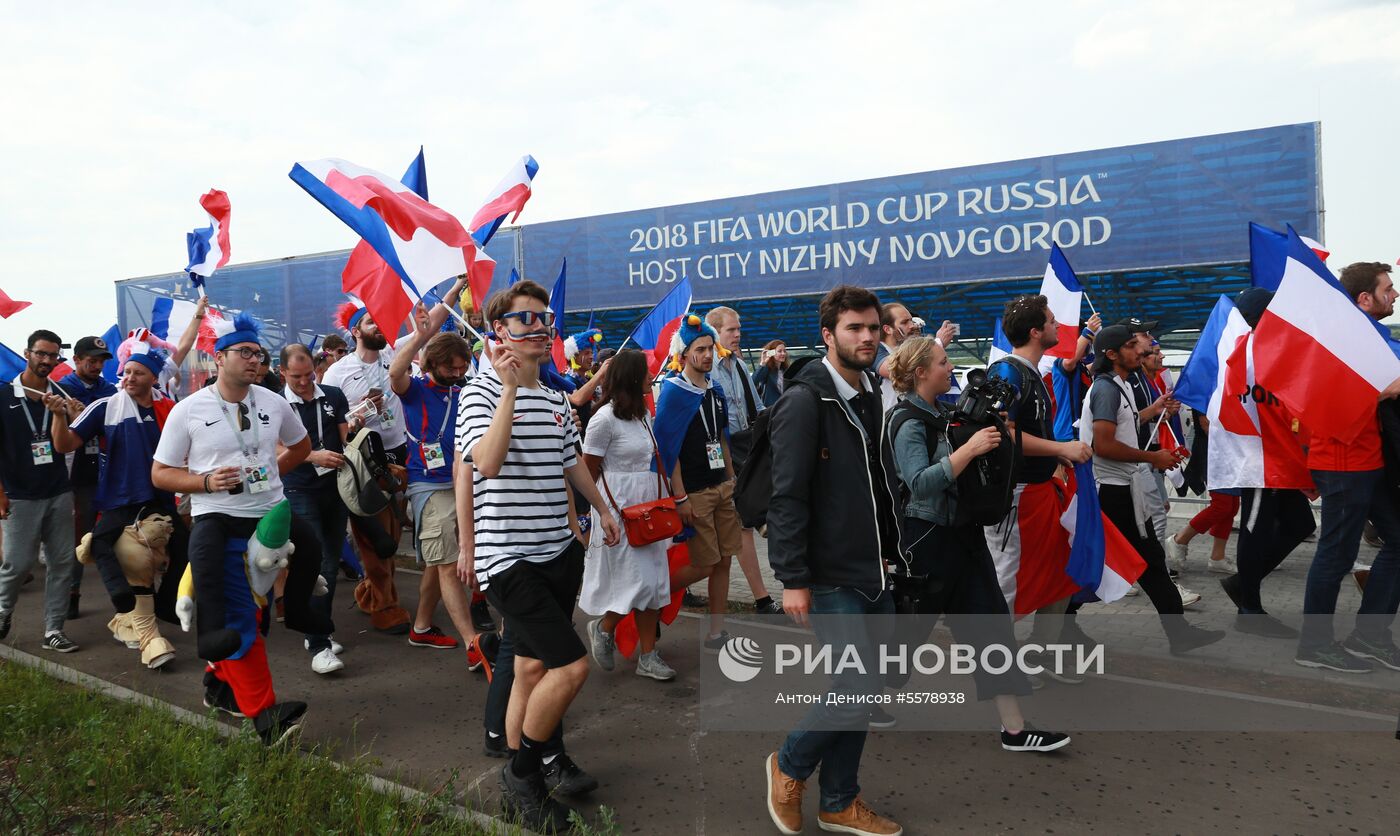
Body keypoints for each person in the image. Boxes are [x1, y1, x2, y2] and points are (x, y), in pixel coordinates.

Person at [458, 279, 621, 832]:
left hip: (558, 552)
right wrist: (507, 389)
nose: (539, 326)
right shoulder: (479, 393)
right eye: (525, 319)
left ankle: (523, 766)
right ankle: (525, 775)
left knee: (529, 666)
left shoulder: (556, 398)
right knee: (571, 667)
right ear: (498, 332)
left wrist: (603, 508)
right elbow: (489, 462)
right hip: (509, 559)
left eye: (544, 317)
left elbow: (572, 461)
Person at [151, 312, 331, 743]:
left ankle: (219, 684)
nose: (255, 361)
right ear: (219, 358)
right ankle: (267, 718)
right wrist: (205, 482)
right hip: (219, 520)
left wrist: (273, 472)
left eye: (260, 354)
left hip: (271, 518)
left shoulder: (273, 402)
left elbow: (303, 444)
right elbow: (160, 473)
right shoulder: (187, 410)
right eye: (244, 353)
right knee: (239, 618)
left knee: (263, 607)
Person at [888, 334, 1071, 751]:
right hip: (929, 540)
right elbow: (919, 485)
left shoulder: (945, 412)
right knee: (907, 637)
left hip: (965, 536)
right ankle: (861, 701)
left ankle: (1015, 729)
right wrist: (968, 450)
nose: (950, 367)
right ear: (920, 373)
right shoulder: (907, 421)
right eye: (941, 362)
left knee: (991, 631)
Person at [765, 285, 903, 836]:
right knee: (856, 688)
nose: (868, 336)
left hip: (872, 568)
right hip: (827, 575)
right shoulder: (804, 401)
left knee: (868, 688)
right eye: (854, 328)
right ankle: (790, 764)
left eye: (873, 327)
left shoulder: (869, 391)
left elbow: (876, 485)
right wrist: (793, 578)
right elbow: (787, 496)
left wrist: (891, 554)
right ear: (828, 335)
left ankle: (840, 800)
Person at [1079, 325, 1224, 654]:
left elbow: (1124, 424)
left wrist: (1154, 409)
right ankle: (1061, 624)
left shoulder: (1119, 384)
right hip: (1110, 492)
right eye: (1131, 346)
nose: (1140, 352)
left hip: (1121, 490)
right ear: (1112, 354)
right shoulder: (1107, 388)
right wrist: (1152, 457)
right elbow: (1103, 444)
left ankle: (1178, 633)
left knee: (1147, 560)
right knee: (1127, 561)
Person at [53, 337, 185, 668]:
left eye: (137, 373)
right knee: (106, 545)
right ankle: (125, 605)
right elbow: (65, 444)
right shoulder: (106, 406)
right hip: (119, 496)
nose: (128, 378)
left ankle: (163, 605)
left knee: (186, 548)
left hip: (159, 496)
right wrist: (58, 417)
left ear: (154, 378)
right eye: (125, 372)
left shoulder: (169, 409)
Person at [1295, 262, 1400, 672]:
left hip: (1367, 460)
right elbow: (1327, 396)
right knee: (1335, 557)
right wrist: (1387, 390)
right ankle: (1315, 644)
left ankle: (1370, 636)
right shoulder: (1340, 338)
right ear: (1364, 297)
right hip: (1342, 462)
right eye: (1388, 288)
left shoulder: (1368, 334)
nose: (1394, 294)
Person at [982, 295, 1094, 678]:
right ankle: (999, 669)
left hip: (1038, 491)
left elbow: (1024, 432)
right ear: (1035, 331)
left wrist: (1056, 455)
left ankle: (1040, 657)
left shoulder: (1028, 372)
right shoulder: (1008, 371)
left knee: (1061, 575)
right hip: (1017, 497)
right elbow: (1004, 432)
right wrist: (1060, 447)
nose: (1058, 325)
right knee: (1010, 583)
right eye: (1050, 320)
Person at [1202, 288, 1317, 639]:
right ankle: (1249, 609)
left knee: (1300, 524)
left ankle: (1242, 583)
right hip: (1258, 463)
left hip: (1277, 459)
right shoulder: (1246, 352)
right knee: (1255, 532)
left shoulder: (1266, 351)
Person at [389, 316, 489, 668]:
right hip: (428, 486)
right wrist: (422, 336)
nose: (458, 372)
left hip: (462, 484)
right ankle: (472, 643)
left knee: (437, 564)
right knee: (449, 564)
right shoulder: (414, 389)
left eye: (463, 367)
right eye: (451, 367)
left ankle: (421, 627)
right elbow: (395, 372)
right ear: (434, 362)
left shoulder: (464, 392)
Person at [580, 348, 676, 681]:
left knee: (653, 584)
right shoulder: (603, 419)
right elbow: (586, 472)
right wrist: (600, 515)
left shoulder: (642, 415)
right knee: (635, 582)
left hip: (646, 508)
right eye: (647, 372)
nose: (652, 377)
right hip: (617, 510)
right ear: (632, 378)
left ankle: (648, 655)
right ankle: (605, 628)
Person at [322, 301, 413, 634]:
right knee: (375, 537)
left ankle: (371, 592)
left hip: (400, 455)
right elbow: (332, 424)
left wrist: (454, 290)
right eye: (370, 322)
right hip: (363, 460)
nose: (379, 326)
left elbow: (427, 331)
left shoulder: (393, 355)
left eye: (380, 320)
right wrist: (360, 411)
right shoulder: (337, 372)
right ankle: (385, 605)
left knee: (391, 532)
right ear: (356, 330)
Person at [654, 314, 742, 649]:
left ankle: (716, 632)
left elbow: (720, 437)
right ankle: (651, 599)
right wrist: (680, 497)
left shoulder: (715, 389)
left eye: (710, 348)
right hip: (694, 492)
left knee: (724, 560)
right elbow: (668, 448)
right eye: (700, 349)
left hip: (721, 487)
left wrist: (731, 478)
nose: (708, 355)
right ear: (685, 352)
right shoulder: (674, 391)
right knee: (704, 564)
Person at [0, 329, 84, 652]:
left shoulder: (61, 395)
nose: (47, 360)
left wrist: (70, 414)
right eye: (41, 354)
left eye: (53, 356)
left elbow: (71, 441)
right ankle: (3, 611)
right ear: (27, 353)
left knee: (62, 562)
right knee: (18, 564)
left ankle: (53, 629)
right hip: (19, 494)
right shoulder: (4, 396)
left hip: (58, 491)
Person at [279, 343, 352, 675]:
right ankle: (320, 642)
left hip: (335, 486)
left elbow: (344, 436)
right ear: (283, 373)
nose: (305, 382)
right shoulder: (275, 403)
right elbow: (275, 446)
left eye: (309, 374)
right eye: (297, 377)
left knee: (331, 563)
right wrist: (312, 456)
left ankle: (317, 628)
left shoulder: (333, 395)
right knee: (316, 560)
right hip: (298, 486)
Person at [706, 306, 781, 616]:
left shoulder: (737, 364)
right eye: (730, 331)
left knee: (743, 524)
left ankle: (765, 596)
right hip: (720, 454)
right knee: (742, 525)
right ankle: (763, 597)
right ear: (715, 334)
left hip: (744, 449)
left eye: (738, 330)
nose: (737, 335)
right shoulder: (707, 365)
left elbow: (758, 406)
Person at [57, 334, 118, 619]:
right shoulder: (60, 390)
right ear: (76, 360)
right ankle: (71, 593)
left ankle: (128, 598)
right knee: (77, 536)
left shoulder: (110, 390)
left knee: (117, 535)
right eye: (91, 361)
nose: (97, 367)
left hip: (109, 473)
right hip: (76, 476)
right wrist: (70, 418)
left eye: (101, 362)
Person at [875, 302, 954, 411]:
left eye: (911, 320)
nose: (912, 325)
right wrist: (939, 342)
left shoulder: (907, 351)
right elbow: (898, 369)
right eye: (904, 322)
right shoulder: (875, 350)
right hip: (892, 423)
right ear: (887, 329)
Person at [1049, 313, 1102, 442]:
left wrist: (1103, 344)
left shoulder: (1081, 367)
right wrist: (1088, 332)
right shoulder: (1061, 363)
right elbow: (1069, 361)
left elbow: (1099, 364)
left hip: (1080, 435)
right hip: (1068, 436)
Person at [751, 339, 789, 409]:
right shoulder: (767, 370)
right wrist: (763, 363)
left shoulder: (786, 370)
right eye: (779, 351)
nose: (783, 353)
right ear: (771, 353)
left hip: (786, 407)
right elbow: (753, 381)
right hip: (771, 409)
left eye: (784, 351)